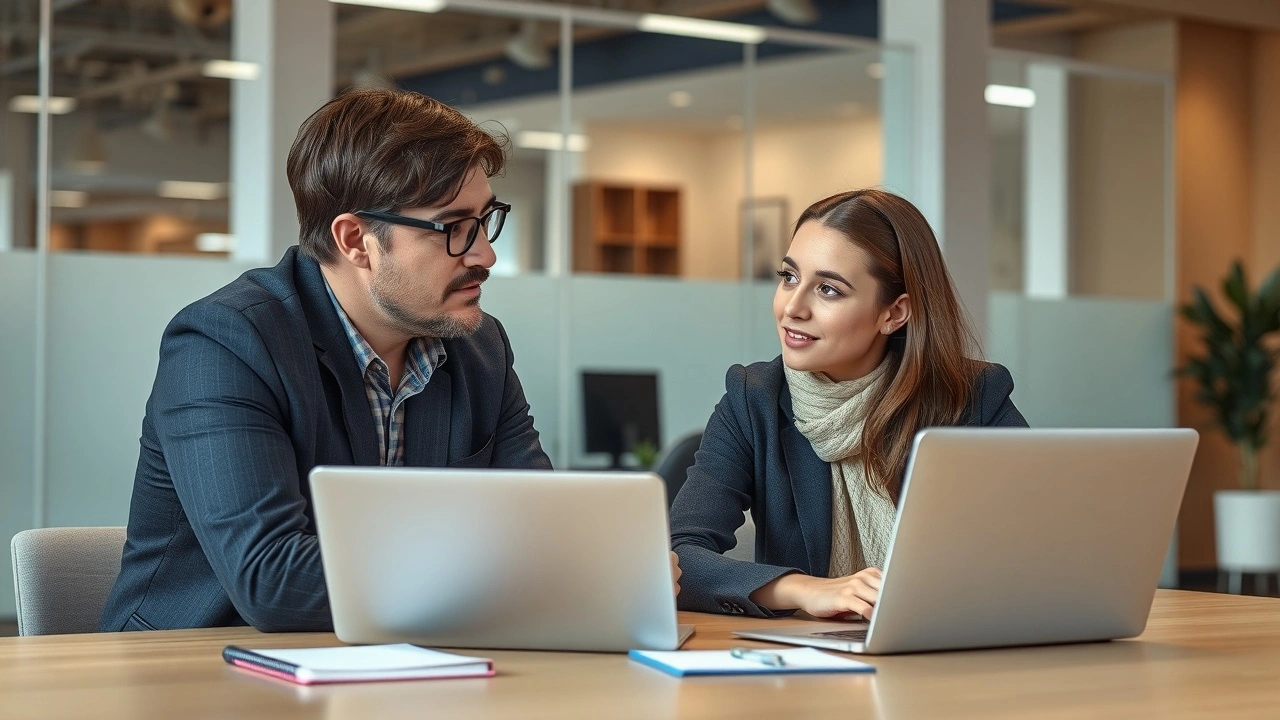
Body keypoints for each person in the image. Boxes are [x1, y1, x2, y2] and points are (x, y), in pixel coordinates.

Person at [99, 89, 555, 632]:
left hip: (401, 662)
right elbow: (274, 582)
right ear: (356, 240)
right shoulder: (226, 342)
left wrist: (560, 564)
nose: (485, 254)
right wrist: (519, 572)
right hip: (193, 669)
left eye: (485, 220)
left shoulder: (480, 349)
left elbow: (544, 529)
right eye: (454, 228)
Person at [670, 188, 1027, 621]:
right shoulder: (753, 400)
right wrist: (804, 589)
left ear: (894, 314)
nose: (792, 307)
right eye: (788, 277)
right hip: (809, 666)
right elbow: (678, 556)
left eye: (828, 290)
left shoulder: (973, 401)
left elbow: (1040, 548)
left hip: (953, 653)